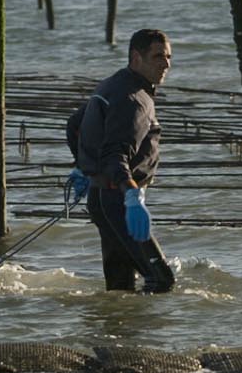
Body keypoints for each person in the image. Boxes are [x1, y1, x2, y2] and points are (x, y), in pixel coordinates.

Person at [65, 28, 177, 292]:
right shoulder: (135, 100)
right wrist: (132, 197)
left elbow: (75, 125)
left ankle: (116, 319)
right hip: (118, 202)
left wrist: (84, 167)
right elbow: (117, 155)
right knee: (161, 280)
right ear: (136, 57)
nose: (166, 64)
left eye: (168, 57)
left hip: (101, 196)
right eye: (158, 56)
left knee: (120, 285)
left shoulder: (113, 84)